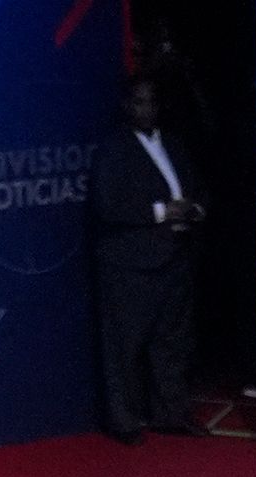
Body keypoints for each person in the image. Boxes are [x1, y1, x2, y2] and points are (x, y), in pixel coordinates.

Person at [89, 70, 196, 442]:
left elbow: (195, 187)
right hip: (129, 264)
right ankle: (124, 422)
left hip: (174, 257)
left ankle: (171, 413)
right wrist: (161, 211)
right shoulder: (112, 149)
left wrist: (193, 209)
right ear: (126, 105)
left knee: (171, 343)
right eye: (139, 101)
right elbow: (107, 206)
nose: (147, 108)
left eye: (152, 101)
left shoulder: (175, 144)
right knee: (124, 346)